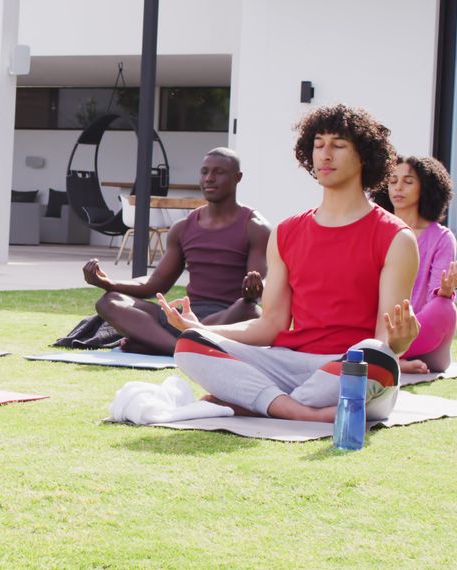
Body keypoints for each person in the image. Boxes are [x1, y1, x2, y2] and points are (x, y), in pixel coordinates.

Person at [161, 104, 420, 422]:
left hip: (350, 367)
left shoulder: (396, 238)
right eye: (318, 144)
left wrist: (398, 344)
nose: (325, 155)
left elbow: (385, 338)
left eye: (338, 145)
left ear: (364, 156)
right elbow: (270, 325)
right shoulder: (286, 232)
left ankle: (262, 401)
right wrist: (202, 329)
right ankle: (300, 410)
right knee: (189, 345)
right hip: (289, 363)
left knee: (375, 356)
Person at [70, 147, 270, 356]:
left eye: (219, 172)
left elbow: (260, 284)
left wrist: (255, 288)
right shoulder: (183, 227)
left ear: (237, 177)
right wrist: (108, 284)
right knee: (109, 301)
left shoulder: (255, 227)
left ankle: (157, 343)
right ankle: (178, 348)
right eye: (204, 172)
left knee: (249, 309)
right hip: (183, 317)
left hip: (225, 317)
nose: (209, 178)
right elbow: (156, 284)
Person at [373, 156, 457, 373]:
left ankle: (387, 357)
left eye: (408, 181)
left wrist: (445, 291)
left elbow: (436, 300)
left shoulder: (442, 238)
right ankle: (392, 359)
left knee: (445, 308)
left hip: (420, 331)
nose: (398, 187)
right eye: (393, 180)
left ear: (426, 187)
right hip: (378, 326)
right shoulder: (376, 230)